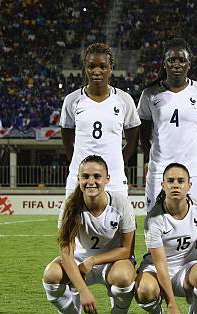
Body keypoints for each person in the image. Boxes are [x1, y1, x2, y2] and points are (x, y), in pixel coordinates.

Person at [42, 155, 136, 314]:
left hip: (112, 261)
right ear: (78, 179)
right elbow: (66, 253)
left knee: (124, 277)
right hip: (79, 261)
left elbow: (126, 250)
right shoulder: (70, 206)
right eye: (85, 176)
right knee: (51, 275)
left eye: (96, 176)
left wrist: (93, 260)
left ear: (107, 179)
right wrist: (83, 291)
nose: (91, 181)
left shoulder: (120, 202)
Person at [135, 163, 197, 314]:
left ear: (189, 185)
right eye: (170, 181)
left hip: (186, 267)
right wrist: (172, 304)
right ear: (163, 185)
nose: (176, 185)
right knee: (144, 290)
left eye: (181, 181)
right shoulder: (154, 219)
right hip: (158, 269)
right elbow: (160, 263)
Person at [138, 37, 197, 211]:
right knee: (156, 220)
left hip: (193, 166)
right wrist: (154, 157)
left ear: (189, 64)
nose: (177, 64)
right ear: (164, 64)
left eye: (182, 60)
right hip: (160, 168)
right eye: (172, 60)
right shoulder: (150, 93)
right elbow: (144, 134)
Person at [60, 43, 140, 199]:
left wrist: (115, 163)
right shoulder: (72, 100)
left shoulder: (124, 100)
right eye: (91, 66)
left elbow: (132, 141)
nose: (97, 71)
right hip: (80, 178)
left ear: (111, 68)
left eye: (103, 66)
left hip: (114, 178)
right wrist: (79, 165)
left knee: (119, 223)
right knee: (70, 223)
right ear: (85, 67)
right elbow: (67, 141)